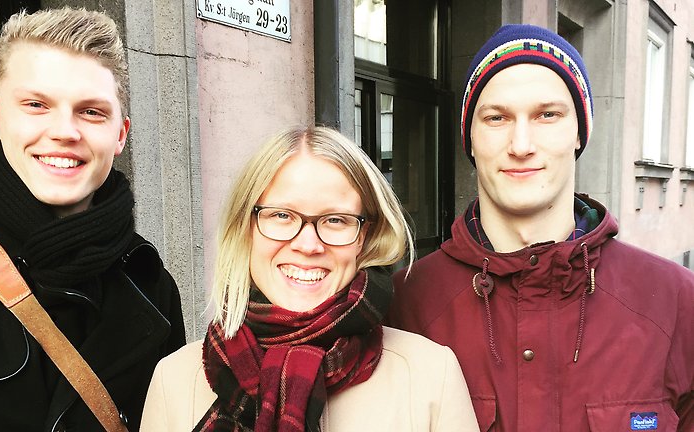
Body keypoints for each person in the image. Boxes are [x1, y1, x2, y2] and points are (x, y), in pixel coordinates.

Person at [386, 23, 694, 431]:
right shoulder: (406, 304)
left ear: (579, 133)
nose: (521, 145)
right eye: (496, 117)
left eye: (547, 115)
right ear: (470, 139)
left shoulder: (676, 302)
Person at [140, 126, 479, 431]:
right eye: (281, 215)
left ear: (363, 237)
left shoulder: (430, 377)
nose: (308, 245)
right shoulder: (174, 381)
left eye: (335, 220)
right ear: (246, 228)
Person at [0, 7, 186, 431]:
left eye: (92, 112)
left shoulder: (153, 285)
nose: (65, 131)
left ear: (120, 134)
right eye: (36, 105)